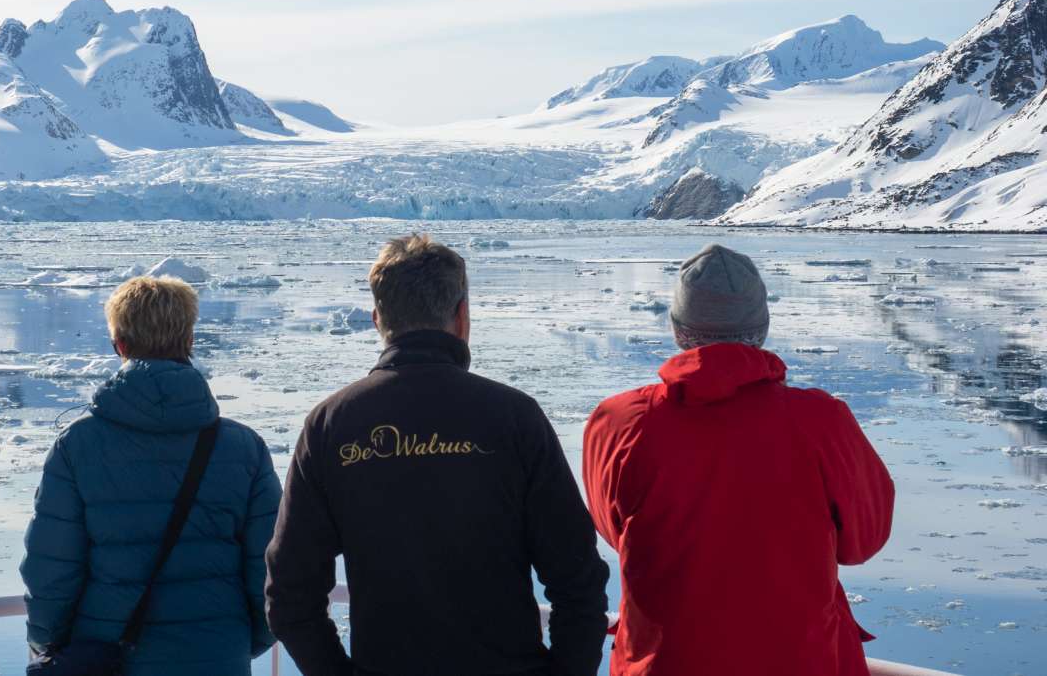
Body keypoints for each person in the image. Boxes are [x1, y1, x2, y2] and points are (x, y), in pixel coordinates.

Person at [267, 234, 610, 676]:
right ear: (462, 316)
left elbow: (290, 596)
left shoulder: (332, 425)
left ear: (377, 319)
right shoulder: (513, 418)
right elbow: (578, 578)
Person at [583, 244, 895, 676]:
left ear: (678, 329)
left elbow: (615, 532)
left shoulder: (620, 421)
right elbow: (864, 540)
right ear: (761, 328)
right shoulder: (821, 421)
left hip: (664, 662)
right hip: (801, 659)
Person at [21, 275, 282, 676]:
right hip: (218, 656)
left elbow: (51, 568)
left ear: (119, 345)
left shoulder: (77, 446)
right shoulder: (244, 448)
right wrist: (241, 641)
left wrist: (53, 644)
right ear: (190, 341)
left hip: (109, 658)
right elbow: (269, 567)